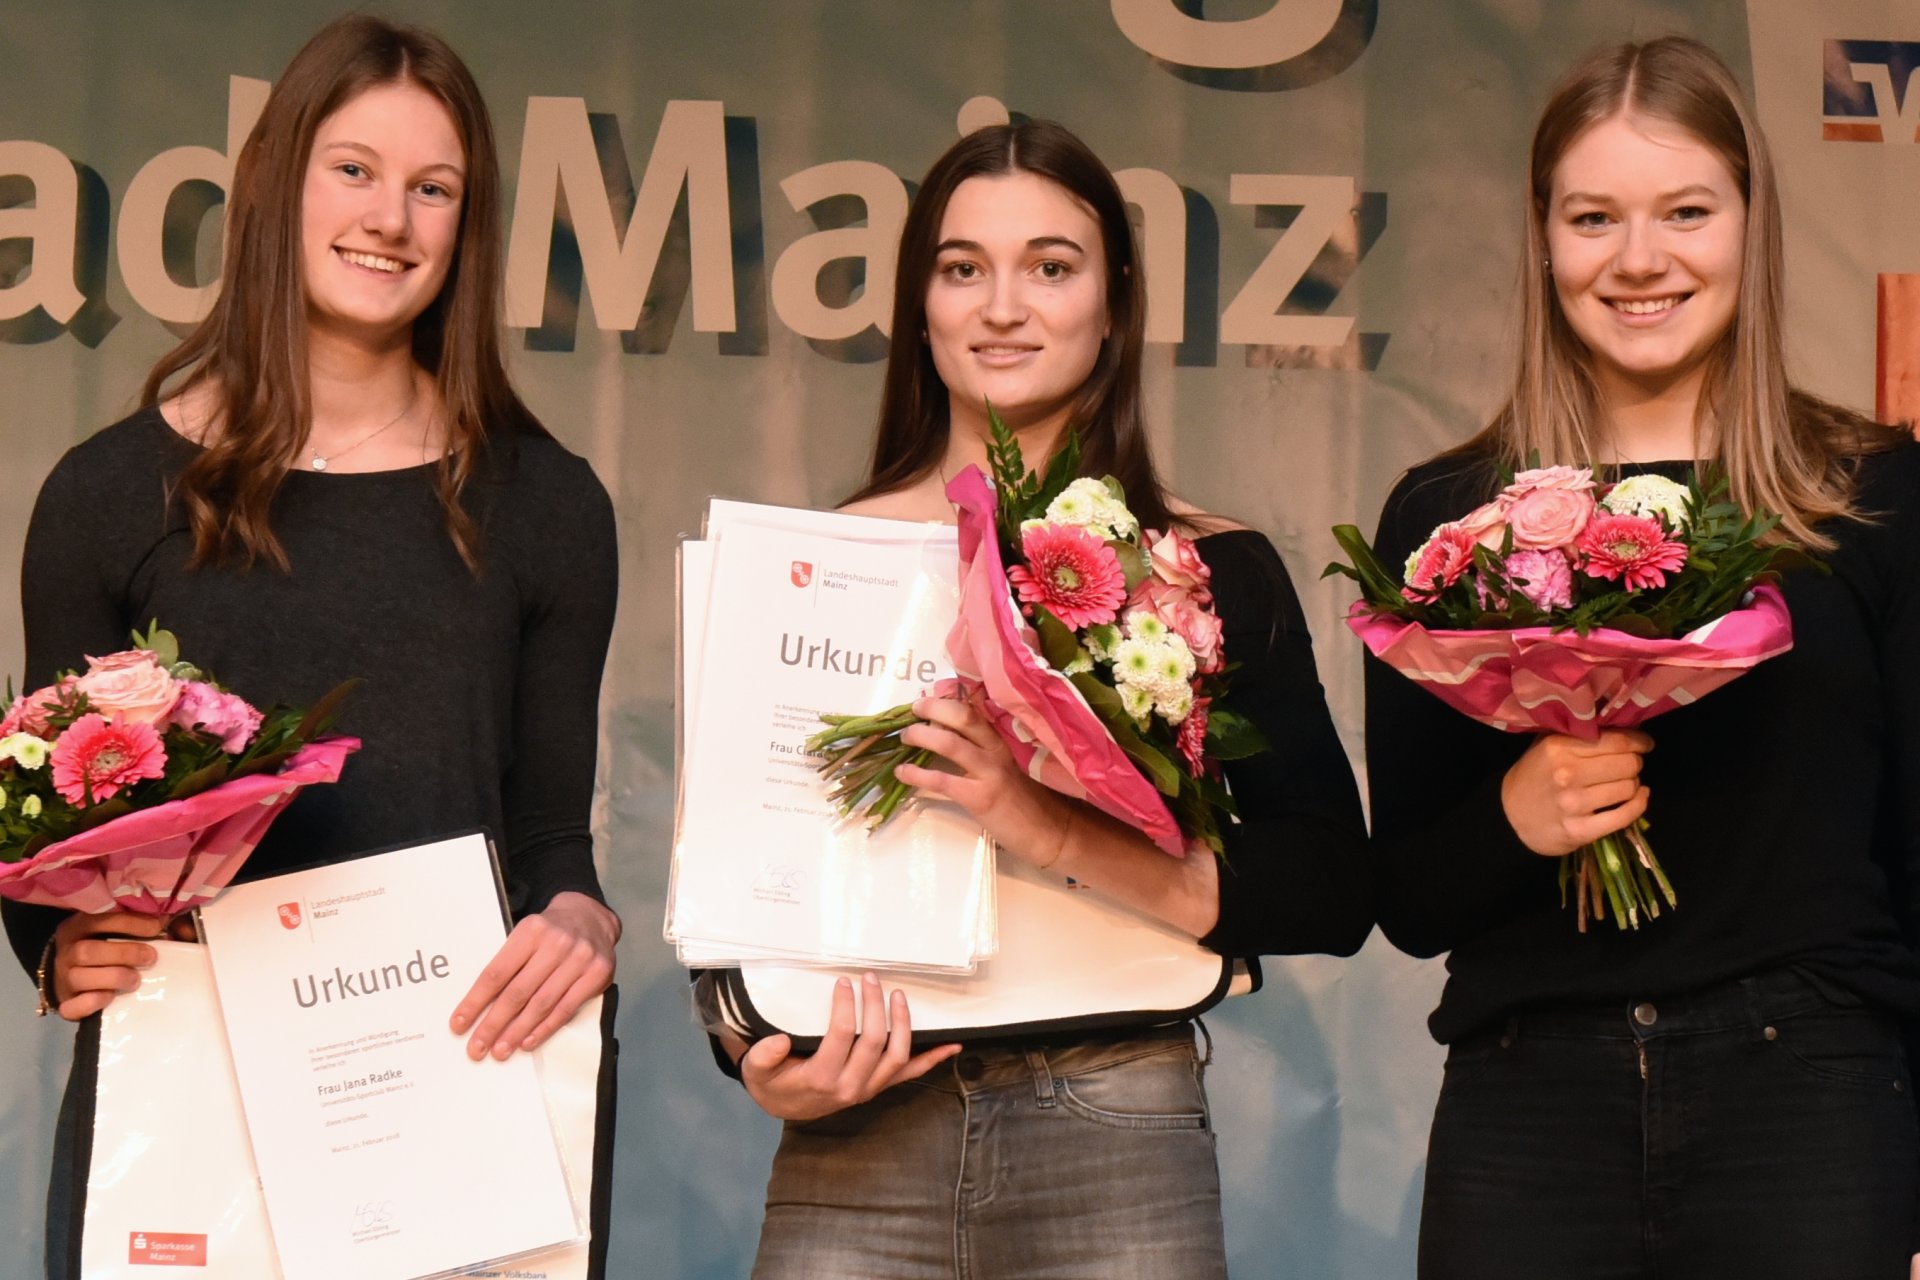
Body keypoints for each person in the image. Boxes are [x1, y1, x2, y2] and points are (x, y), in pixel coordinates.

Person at [5, 15, 619, 1275]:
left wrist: (581, 926)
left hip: (449, 1109)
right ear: (278, 181)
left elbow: (555, 838)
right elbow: (39, 833)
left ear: (466, 226)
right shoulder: (107, 496)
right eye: (353, 169)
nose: (389, 217)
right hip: (180, 1125)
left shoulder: (549, 506)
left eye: (432, 187)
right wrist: (57, 948)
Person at [712, 119, 1373, 1279]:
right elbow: (738, 887)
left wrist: (1048, 823)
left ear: (1115, 303)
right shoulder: (817, 560)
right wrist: (751, 1047)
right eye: (963, 268)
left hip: (1119, 1118)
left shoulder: (1209, 568)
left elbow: (1328, 886)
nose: (1002, 305)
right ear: (921, 307)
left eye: (1051, 266)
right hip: (859, 1132)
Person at [1366, 36, 1920, 1280]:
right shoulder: (1448, 519)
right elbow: (1404, 896)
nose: (1639, 258)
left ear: (1749, 224)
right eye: (1594, 217)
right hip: (1529, 1112)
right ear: (1544, 238)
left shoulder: (1872, 499)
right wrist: (1517, 813)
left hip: (1813, 1102)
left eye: (1685, 211)